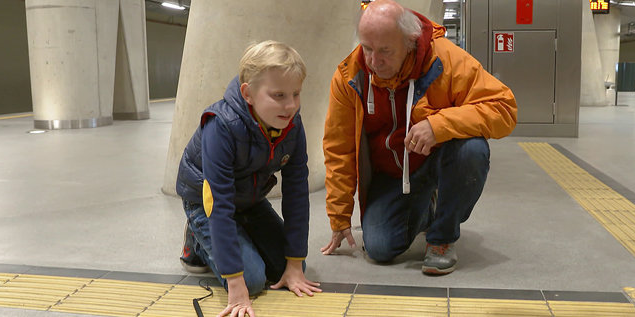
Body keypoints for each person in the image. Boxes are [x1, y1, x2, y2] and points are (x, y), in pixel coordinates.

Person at [321, 0, 517, 275]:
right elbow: (339, 148)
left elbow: (504, 109)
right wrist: (339, 215)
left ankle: (442, 237)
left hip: (437, 161)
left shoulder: (447, 60)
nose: (374, 62)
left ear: (410, 42)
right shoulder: (350, 75)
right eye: (367, 48)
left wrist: (439, 125)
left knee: (471, 150)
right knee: (379, 248)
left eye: (386, 51)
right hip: (391, 175)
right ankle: (429, 206)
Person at [176, 40, 321, 317]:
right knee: (252, 281)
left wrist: (294, 261)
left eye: (296, 94)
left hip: (249, 201)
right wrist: (235, 283)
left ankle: (241, 236)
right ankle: (195, 235)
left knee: (293, 268)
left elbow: (297, 191)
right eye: (278, 95)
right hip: (206, 204)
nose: (290, 105)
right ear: (248, 94)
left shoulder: (292, 125)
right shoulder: (220, 125)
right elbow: (218, 205)